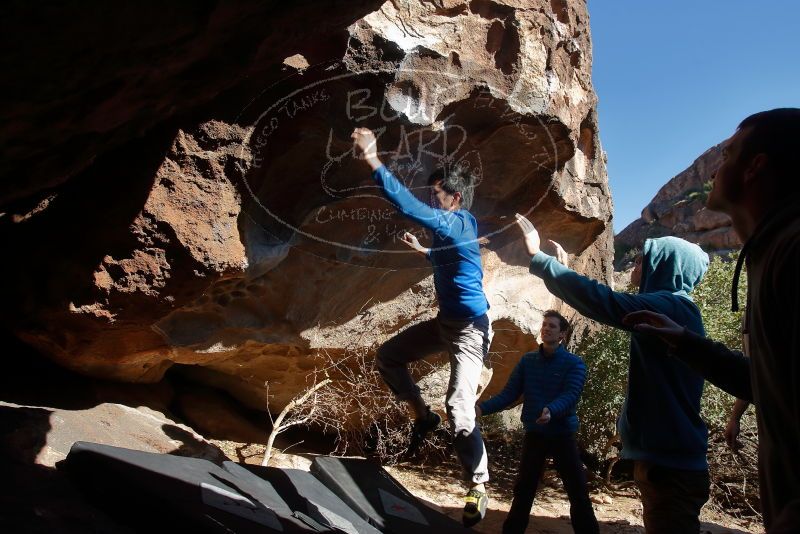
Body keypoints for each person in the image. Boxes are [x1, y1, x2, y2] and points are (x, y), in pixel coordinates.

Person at [621, 106, 800, 534]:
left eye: (729, 155)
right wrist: (684, 342)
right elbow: (768, 381)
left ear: (755, 167)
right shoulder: (769, 251)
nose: (716, 168)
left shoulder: (791, 252)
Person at [515, 214, 710, 534]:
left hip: (672, 467)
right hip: (668, 462)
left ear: (667, 266)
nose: (634, 263)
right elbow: (610, 302)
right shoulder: (673, 307)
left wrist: (540, 260)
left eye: (644, 259)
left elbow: (607, 303)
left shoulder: (673, 307)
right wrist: (569, 276)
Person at [351, 127, 493, 527]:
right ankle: (421, 415)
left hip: (470, 331)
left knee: (459, 406)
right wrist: (424, 251)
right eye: (431, 193)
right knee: (388, 357)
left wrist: (373, 158)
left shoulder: (456, 223)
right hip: (445, 323)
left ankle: (478, 485)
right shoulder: (452, 233)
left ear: (456, 198)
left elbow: (408, 207)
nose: (432, 198)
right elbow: (450, 258)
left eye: (438, 194)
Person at [477, 309, 599, 534]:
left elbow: (571, 395)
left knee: (577, 491)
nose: (546, 329)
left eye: (552, 326)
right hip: (535, 435)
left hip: (562, 435)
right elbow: (509, 394)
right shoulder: (528, 361)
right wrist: (481, 408)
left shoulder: (575, 364)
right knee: (524, 489)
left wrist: (551, 410)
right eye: (544, 325)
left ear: (562, 334)